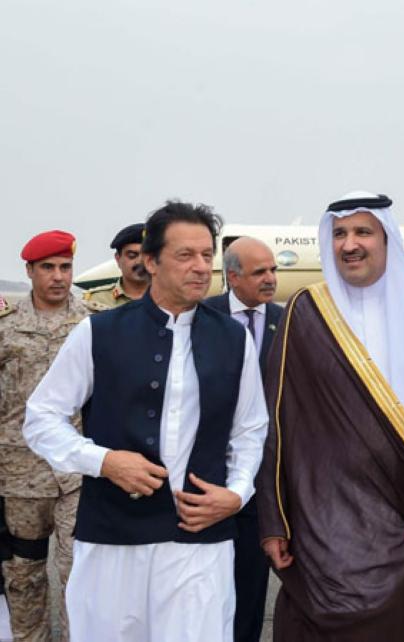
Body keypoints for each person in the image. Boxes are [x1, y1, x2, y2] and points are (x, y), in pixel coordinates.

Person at [23, 202, 269, 642]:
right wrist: (103, 461)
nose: (200, 267)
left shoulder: (233, 338)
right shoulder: (98, 332)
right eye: (185, 256)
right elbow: (41, 417)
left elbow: (250, 429)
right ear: (151, 262)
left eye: (206, 255)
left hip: (200, 541)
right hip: (112, 540)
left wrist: (237, 493)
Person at [255, 192, 404, 641]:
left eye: (362, 232)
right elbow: (280, 424)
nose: (349, 244)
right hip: (327, 522)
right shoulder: (308, 310)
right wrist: (275, 520)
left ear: (387, 238)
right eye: (339, 233)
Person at [0, 231, 89, 642]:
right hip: (20, 474)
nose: (58, 277)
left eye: (65, 267)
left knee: (78, 573)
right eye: (48, 268)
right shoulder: (7, 327)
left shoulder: (93, 322)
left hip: (77, 469)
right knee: (24, 571)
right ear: (30, 272)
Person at [202, 236, 282, 642]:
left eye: (273, 270)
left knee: (251, 587)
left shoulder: (286, 321)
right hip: (205, 476)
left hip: (261, 477)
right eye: (259, 272)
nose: (270, 279)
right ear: (232, 277)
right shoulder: (202, 316)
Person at [82, 223, 148, 309]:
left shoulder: (169, 297)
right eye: (132, 255)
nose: (140, 262)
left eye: (146, 256)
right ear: (118, 259)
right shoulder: (96, 300)